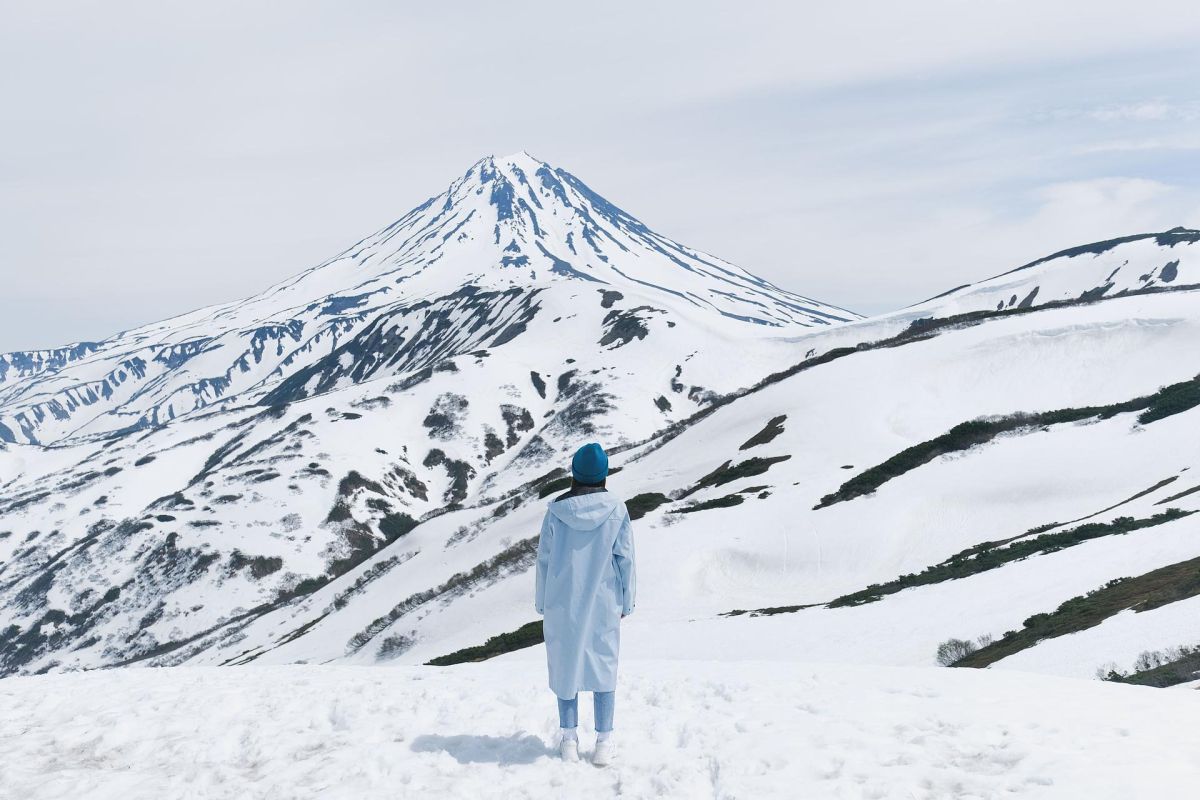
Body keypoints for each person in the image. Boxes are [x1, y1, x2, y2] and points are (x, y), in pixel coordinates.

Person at [535, 442, 636, 766]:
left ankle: (568, 738)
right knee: (603, 666)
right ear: (604, 474)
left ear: (574, 474)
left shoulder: (556, 512)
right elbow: (625, 559)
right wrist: (627, 601)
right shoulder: (617, 509)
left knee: (567, 667)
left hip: (563, 602)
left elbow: (545, 562)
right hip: (604, 601)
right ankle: (604, 742)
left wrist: (542, 602)